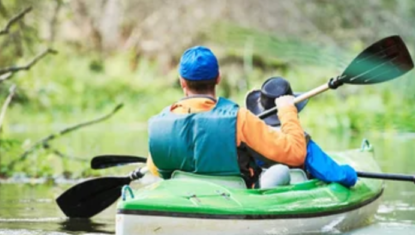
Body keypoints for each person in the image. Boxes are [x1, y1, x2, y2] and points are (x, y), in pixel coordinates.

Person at [146, 46, 306, 189]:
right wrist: (287, 110)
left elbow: (155, 169)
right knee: (280, 171)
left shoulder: (160, 123)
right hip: (234, 199)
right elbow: (296, 154)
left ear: (182, 82)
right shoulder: (239, 118)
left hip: (182, 199)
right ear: (218, 78)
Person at [245, 77, 358, 187]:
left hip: (260, 187)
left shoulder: (251, 136)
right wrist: (351, 174)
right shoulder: (300, 141)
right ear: (294, 111)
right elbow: (334, 174)